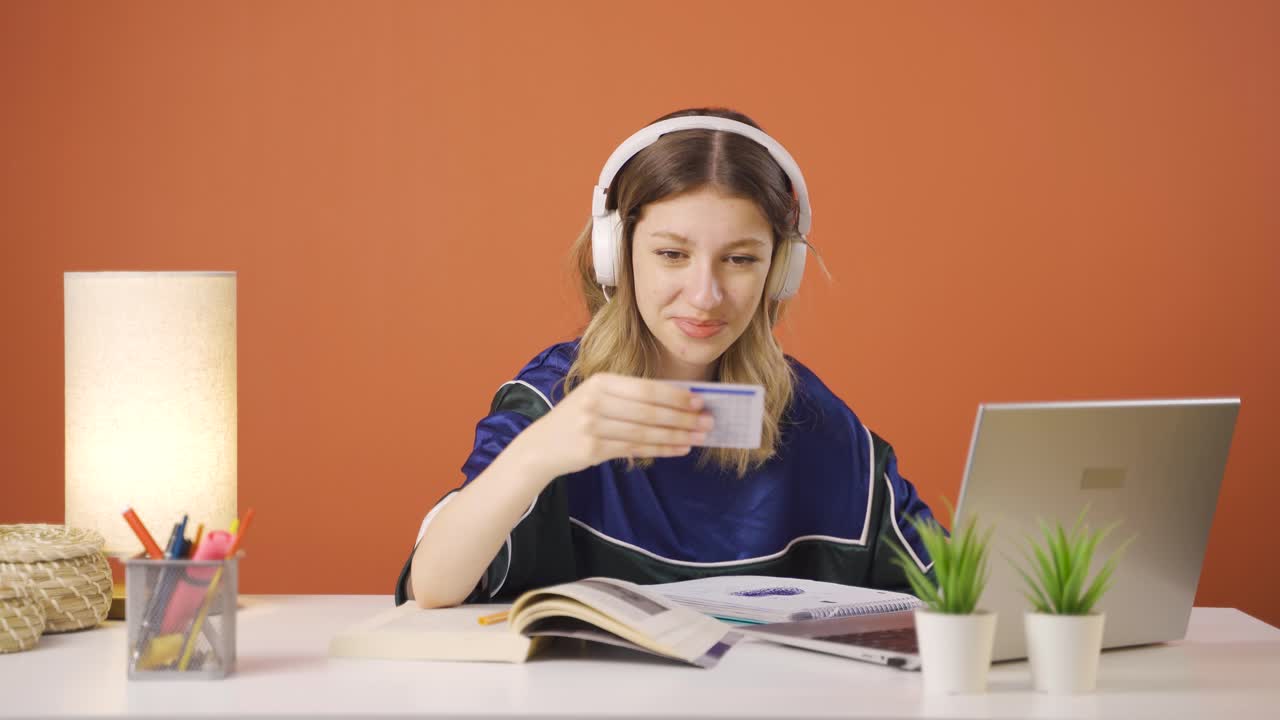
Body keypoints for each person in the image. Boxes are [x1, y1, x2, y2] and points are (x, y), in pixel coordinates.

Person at [396, 108, 937, 608]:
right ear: (618, 254)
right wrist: (538, 452)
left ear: (780, 271)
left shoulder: (817, 421)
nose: (705, 295)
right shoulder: (553, 396)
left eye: (740, 259)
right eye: (672, 254)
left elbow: (957, 594)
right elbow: (432, 586)